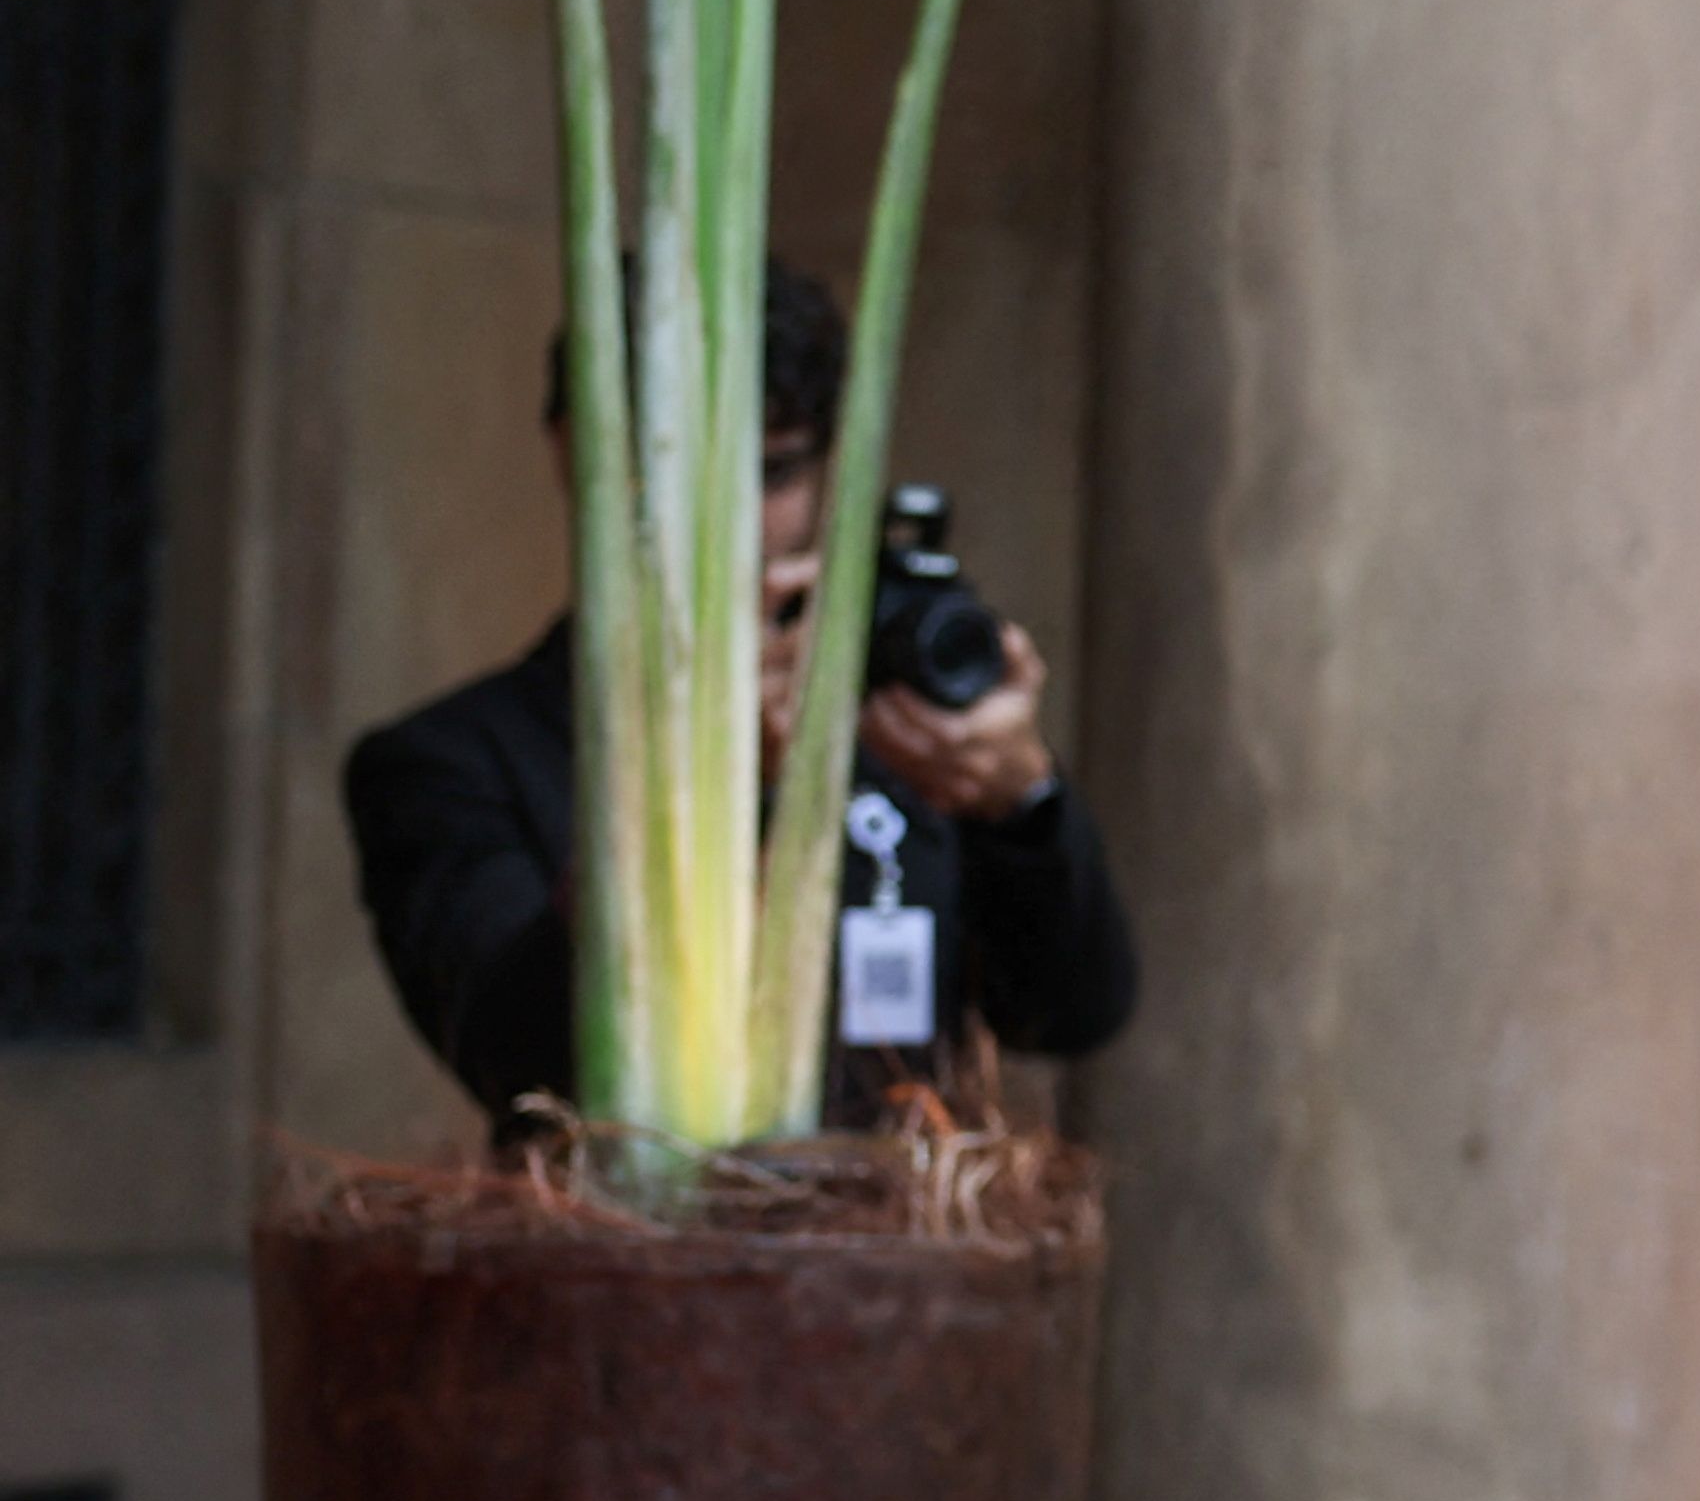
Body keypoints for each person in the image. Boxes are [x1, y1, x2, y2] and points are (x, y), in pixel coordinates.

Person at [342, 259, 1135, 1124]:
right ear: (584, 453)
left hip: (904, 1249)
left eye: (776, 474)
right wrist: (725, 786)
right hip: (640, 1256)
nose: (738, 525)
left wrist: (1021, 802)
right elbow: (521, 1058)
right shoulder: (448, 762)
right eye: (697, 475)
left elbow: (1070, 1013)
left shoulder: (893, 728)